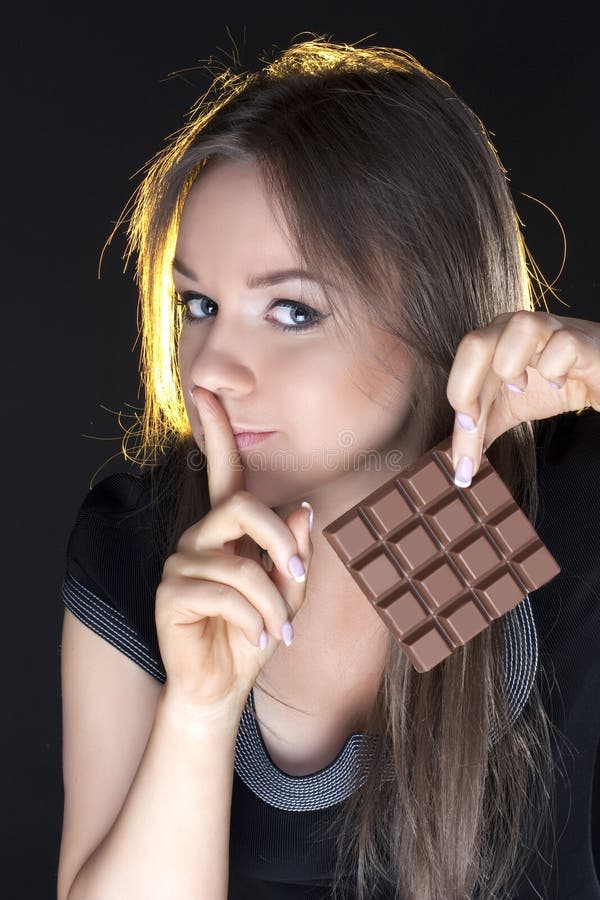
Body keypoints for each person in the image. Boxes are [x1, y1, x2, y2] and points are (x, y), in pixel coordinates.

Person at [56, 36, 600, 900]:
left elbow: (441, 530)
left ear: (434, 318)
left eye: (291, 310)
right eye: (199, 304)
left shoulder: (549, 506)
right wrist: (200, 714)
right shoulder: (140, 542)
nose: (210, 368)